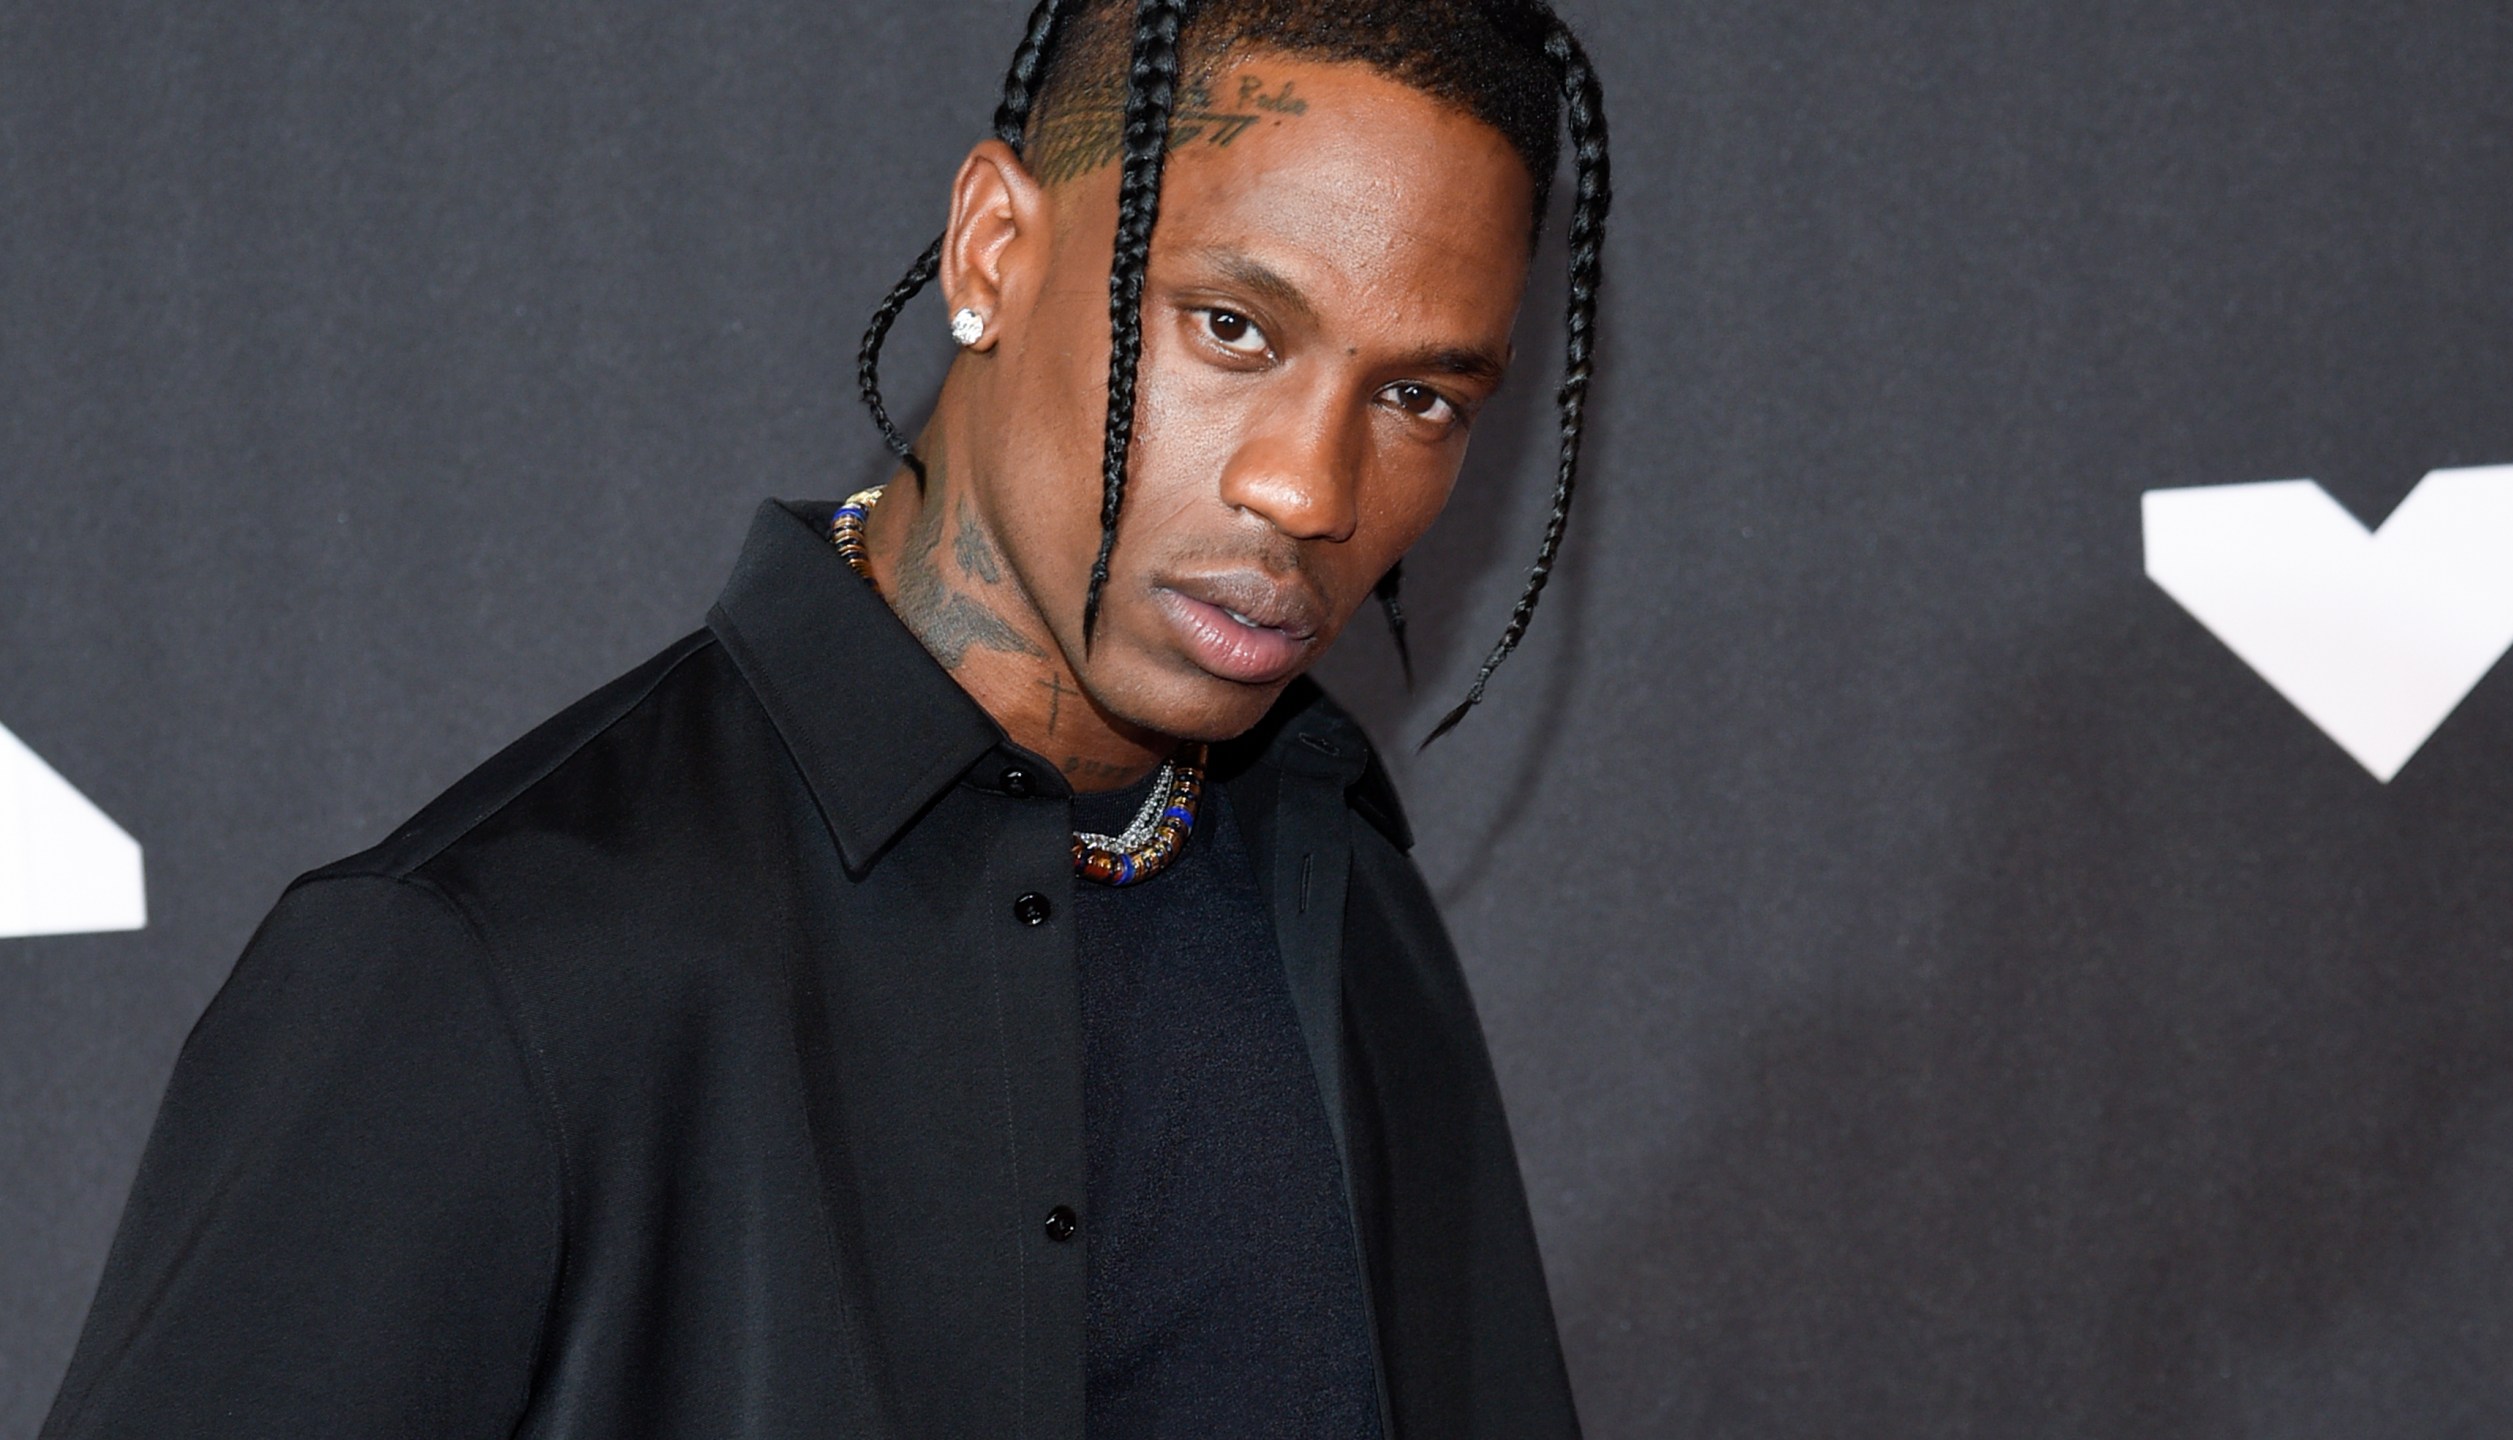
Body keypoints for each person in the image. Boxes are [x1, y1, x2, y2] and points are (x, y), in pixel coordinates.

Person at [42, 1, 1610, 1435]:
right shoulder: (486, 964)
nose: (1308, 490)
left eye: (1419, 399)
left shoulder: (1337, 887)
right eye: (1233, 330)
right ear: (993, 250)